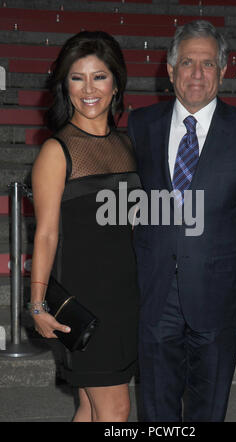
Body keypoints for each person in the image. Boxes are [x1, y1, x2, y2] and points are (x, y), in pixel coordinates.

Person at [127, 20, 236, 422]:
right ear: (171, 69)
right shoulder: (140, 126)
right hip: (155, 294)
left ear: (223, 71)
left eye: (208, 64)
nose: (197, 74)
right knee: (156, 410)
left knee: (208, 411)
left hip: (221, 295)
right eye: (188, 63)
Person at [29, 31, 140, 422]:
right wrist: (38, 303)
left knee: (91, 407)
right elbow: (44, 234)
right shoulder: (56, 151)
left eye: (99, 76)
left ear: (116, 83)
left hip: (125, 297)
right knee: (116, 410)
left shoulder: (128, 145)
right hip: (84, 301)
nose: (88, 89)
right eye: (77, 78)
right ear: (65, 84)